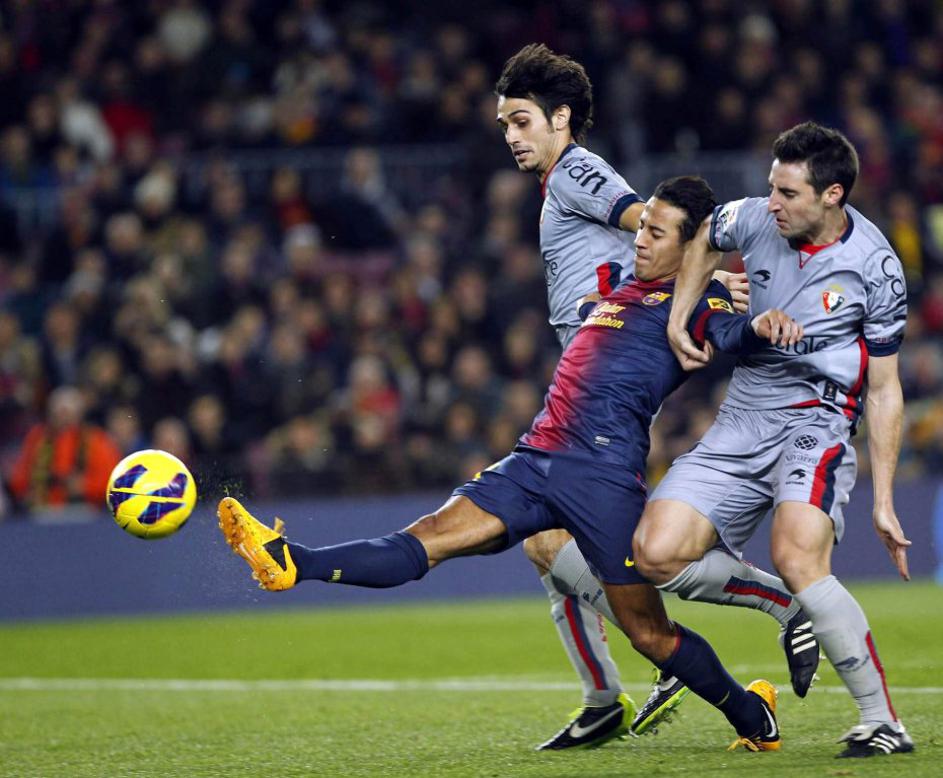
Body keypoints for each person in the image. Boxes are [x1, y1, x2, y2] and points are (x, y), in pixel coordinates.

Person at [219, 176, 801, 753]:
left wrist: (756, 326)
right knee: (427, 537)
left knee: (650, 634)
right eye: (642, 226)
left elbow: (729, 333)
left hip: (601, 477)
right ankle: (293, 561)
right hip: (535, 457)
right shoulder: (628, 286)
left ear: (691, 245)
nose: (641, 239)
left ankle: (752, 715)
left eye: (656, 232)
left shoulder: (698, 305)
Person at [491, 43, 816, 747]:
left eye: (521, 121)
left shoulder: (575, 171)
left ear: (559, 118)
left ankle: (767, 610)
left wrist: (697, 281)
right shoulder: (561, 183)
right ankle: (605, 695)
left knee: (596, 547)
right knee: (549, 544)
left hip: (613, 377)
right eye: (505, 125)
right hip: (593, 373)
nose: (511, 136)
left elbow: (657, 223)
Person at [634, 122, 914, 758]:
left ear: (832, 194)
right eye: (771, 187)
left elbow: (885, 388)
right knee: (656, 553)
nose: (773, 203)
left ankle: (882, 722)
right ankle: (789, 607)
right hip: (744, 413)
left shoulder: (876, 268)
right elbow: (703, 235)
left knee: (797, 553)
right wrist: (681, 317)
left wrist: (884, 499)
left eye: (788, 193)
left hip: (817, 419)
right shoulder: (755, 217)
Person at [7, 385, 122, 512]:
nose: (62, 418)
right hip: (42, 511)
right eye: (58, 413)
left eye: (67, 413)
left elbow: (114, 481)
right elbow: (19, 478)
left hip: (85, 512)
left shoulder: (95, 440)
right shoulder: (37, 438)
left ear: (79, 414)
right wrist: (28, 491)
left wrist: (85, 486)